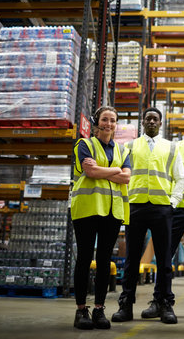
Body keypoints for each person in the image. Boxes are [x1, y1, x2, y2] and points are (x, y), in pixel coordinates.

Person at [112, 107, 184, 325]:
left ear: (160, 123)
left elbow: (180, 178)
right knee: (132, 259)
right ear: (143, 122)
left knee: (164, 260)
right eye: (148, 119)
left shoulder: (171, 148)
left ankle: (166, 304)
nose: (151, 122)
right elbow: (121, 174)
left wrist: (173, 203)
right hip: (136, 207)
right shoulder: (131, 146)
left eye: (155, 119)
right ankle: (126, 305)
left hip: (162, 208)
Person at [142, 113, 184, 320]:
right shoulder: (175, 148)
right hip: (177, 209)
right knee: (165, 255)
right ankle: (159, 300)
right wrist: (170, 203)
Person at [71, 106, 131, 330]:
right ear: (97, 122)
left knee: (105, 260)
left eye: (113, 120)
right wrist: (115, 171)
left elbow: (126, 178)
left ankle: (98, 309)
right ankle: (80, 310)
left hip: (113, 211)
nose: (109, 124)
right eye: (105, 119)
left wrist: (106, 170)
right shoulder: (84, 144)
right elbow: (91, 173)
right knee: (85, 258)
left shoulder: (123, 150)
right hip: (87, 209)